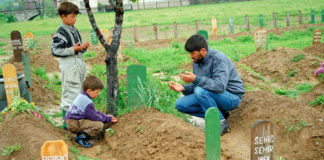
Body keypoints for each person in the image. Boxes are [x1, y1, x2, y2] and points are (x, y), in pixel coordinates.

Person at [169, 34, 245, 135]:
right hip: (212, 94)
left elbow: (219, 86)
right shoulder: (197, 61)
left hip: (231, 97)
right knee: (180, 104)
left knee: (200, 91)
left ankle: (221, 123)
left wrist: (196, 79)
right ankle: (219, 114)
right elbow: (199, 84)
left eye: (193, 53)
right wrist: (183, 88)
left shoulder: (218, 59)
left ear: (203, 50)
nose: (190, 56)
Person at [51, 2, 89, 129]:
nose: (75, 19)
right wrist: (72, 49)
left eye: (75, 16)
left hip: (78, 62)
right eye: (72, 16)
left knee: (79, 91)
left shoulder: (74, 30)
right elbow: (55, 50)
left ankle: (78, 121)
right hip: (69, 64)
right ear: (63, 16)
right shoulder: (61, 32)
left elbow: (77, 47)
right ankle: (67, 123)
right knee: (70, 92)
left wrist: (82, 48)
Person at [65, 76, 118, 147]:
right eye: (97, 92)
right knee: (99, 125)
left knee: (96, 121)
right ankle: (81, 137)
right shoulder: (87, 101)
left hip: (72, 121)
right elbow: (94, 117)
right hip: (74, 123)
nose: (98, 94)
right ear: (89, 91)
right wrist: (107, 119)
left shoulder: (82, 96)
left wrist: (106, 116)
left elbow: (94, 112)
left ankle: (82, 134)